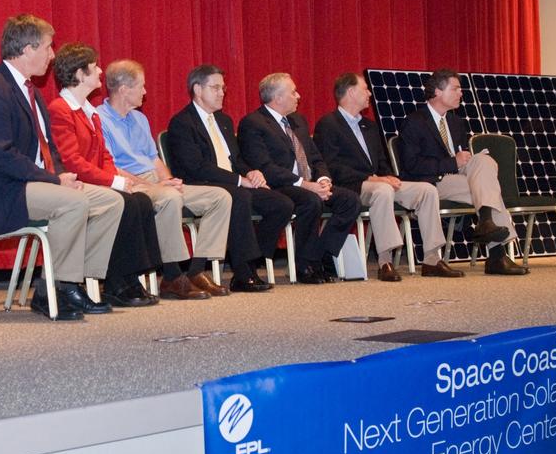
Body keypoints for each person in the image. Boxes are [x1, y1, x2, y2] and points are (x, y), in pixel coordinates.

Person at [0, 15, 123, 321]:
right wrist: (54, 179)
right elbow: (2, 155)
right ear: (26, 50)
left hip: (34, 184)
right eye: (48, 48)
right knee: (74, 202)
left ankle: (78, 285)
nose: (52, 56)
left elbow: (49, 148)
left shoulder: (32, 91)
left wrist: (64, 177)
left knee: (111, 201)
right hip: (3, 192)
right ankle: (59, 288)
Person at [47, 44, 206, 303]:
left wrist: (119, 180)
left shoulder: (88, 113)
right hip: (77, 184)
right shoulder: (61, 109)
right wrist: (116, 181)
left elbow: (104, 158)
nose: (100, 70)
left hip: (96, 180)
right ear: (79, 74)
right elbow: (72, 162)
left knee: (139, 201)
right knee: (129, 202)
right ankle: (117, 281)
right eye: (94, 67)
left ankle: (128, 278)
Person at [96, 59, 234, 297]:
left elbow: (154, 159)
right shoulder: (99, 119)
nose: (146, 92)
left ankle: (195, 270)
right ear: (124, 89)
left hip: (154, 182)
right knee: (169, 198)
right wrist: (156, 186)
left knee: (220, 197)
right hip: (129, 184)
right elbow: (111, 168)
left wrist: (170, 180)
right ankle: (171, 276)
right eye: (142, 86)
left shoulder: (140, 118)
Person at [313, 73, 462, 282]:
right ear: (351, 92)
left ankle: (431, 259)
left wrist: (389, 177)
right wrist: (372, 179)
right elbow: (331, 167)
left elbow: (382, 162)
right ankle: (385, 260)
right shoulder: (328, 124)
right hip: (352, 186)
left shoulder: (369, 126)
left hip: (378, 182)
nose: (369, 93)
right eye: (365, 89)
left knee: (427, 189)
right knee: (382, 190)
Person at [165, 65, 294, 292]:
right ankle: (243, 273)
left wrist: (251, 172)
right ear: (197, 89)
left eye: (223, 88)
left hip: (233, 182)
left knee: (281, 204)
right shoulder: (182, 123)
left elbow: (235, 158)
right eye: (215, 88)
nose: (222, 93)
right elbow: (196, 167)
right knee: (240, 196)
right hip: (202, 183)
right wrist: (238, 180)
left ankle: (249, 259)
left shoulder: (223, 120)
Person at [397, 69, 527, 275]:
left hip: (458, 178)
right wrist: (452, 163)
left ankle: (486, 222)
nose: (461, 93)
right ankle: (496, 255)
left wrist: (460, 162)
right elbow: (411, 166)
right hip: (432, 182)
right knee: (487, 189)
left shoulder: (456, 122)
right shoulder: (414, 122)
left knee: (484, 162)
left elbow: (461, 159)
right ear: (438, 91)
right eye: (455, 88)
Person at [237, 73, 361, 284]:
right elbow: (265, 167)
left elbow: (315, 157)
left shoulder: (298, 120)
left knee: (350, 201)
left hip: (310, 183)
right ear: (277, 98)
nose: (298, 96)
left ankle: (320, 254)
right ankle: (304, 265)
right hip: (280, 185)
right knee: (310, 201)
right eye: (293, 92)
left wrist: (323, 179)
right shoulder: (253, 123)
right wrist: (305, 185)